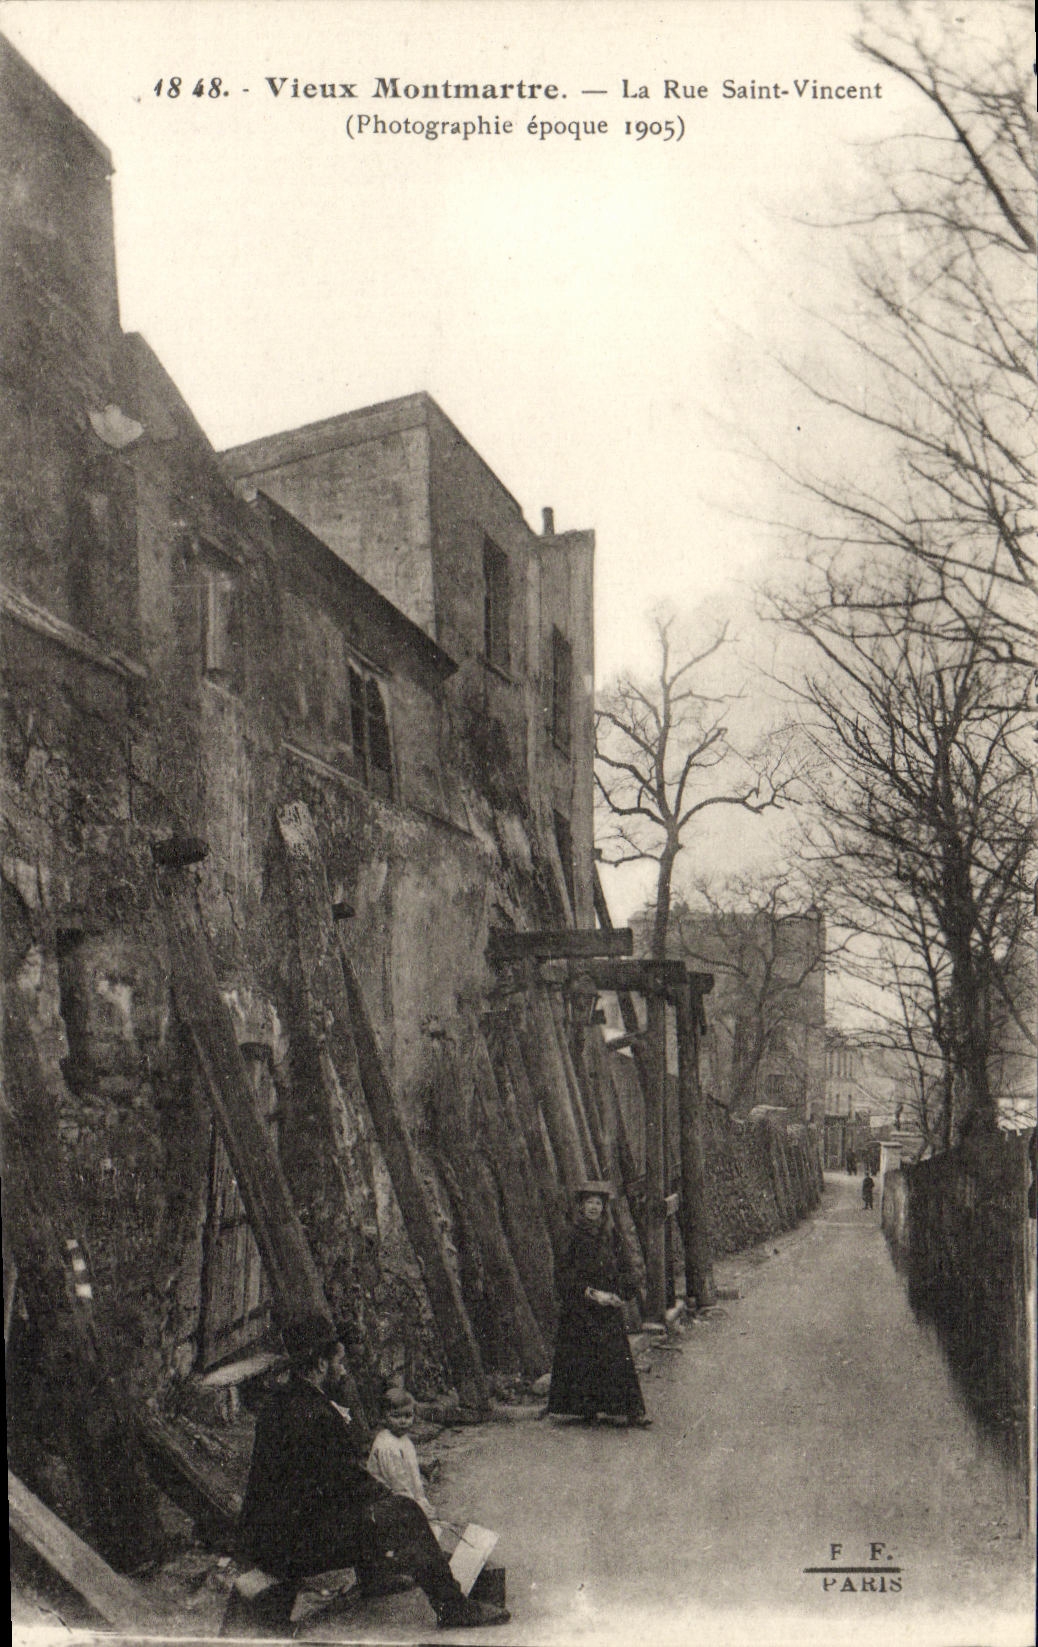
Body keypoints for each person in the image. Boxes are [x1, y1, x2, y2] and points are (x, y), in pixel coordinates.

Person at [234, 1313, 509, 1630]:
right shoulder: (318, 1414)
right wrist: (398, 1498)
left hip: (266, 1536)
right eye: (338, 1362)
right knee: (403, 1512)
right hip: (291, 1546)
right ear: (321, 1365)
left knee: (368, 1509)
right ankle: (453, 1607)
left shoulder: (279, 1403)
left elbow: (326, 1483)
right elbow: (346, 1485)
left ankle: (376, 1577)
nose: (342, 1369)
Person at [546, 1181, 651, 1428]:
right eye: (589, 1203)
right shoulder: (571, 1235)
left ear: (603, 1208)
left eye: (598, 1203)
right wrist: (592, 1294)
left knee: (616, 1356)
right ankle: (586, 1409)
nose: (593, 1208)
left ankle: (632, 1412)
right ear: (581, 1207)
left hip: (607, 1307)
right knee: (583, 1356)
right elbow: (563, 1275)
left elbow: (624, 1265)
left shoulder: (609, 1234)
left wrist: (622, 1292)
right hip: (581, 1308)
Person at [366, 1387, 437, 1524]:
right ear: (384, 1417)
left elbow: (413, 1475)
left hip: (404, 1498)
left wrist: (421, 1500)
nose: (403, 1421)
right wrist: (418, 1507)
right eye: (396, 1416)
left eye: (408, 1416)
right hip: (389, 1502)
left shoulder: (403, 1439)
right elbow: (398, 1484)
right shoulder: (386, 1446)